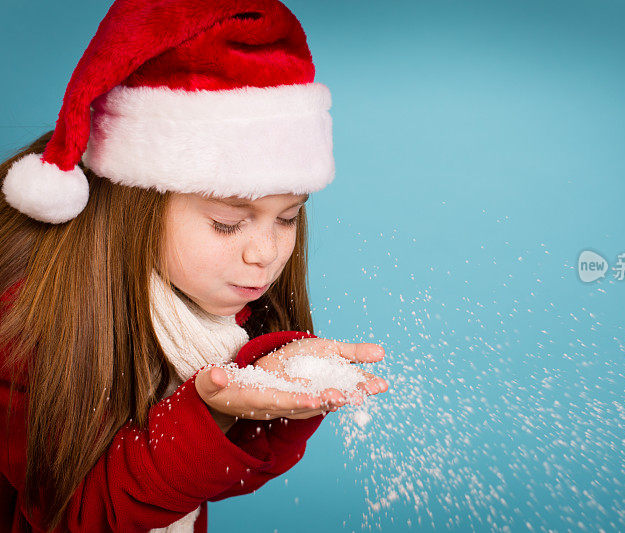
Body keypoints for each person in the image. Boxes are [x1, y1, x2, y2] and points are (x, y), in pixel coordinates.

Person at [0, 1, 389, 531]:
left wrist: (255, 393)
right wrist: (208, 412)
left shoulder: (218, 306)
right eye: (229, 224)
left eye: (287, 218)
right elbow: (75, 514)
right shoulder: (27, 324)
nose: (266, 253)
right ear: (136, 207)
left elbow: (207, 480)